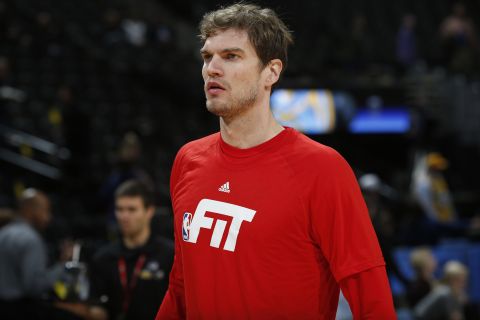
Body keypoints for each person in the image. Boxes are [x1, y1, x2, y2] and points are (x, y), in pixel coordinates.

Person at [156, 3, 395, 319]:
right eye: (207, 56)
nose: (212, 68)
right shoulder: (188, 160)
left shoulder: (323, 169)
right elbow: (181, 287)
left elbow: (371, 299)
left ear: (271, 71)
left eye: (231, 56)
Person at [83, 180, 173, 320]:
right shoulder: (103, 258)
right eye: (119, 209)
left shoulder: (169, 255)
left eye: (131, 210)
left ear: (149, 211)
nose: (124, 216)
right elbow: (96, 306)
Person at [0, 188, 69, 320]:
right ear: (32, 210)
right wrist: (62, 265)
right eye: (46, 210)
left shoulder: (3, 232)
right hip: (17, 311)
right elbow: (34, 286)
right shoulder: (31, 239)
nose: (49, 217)